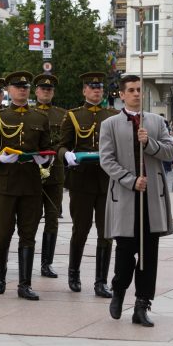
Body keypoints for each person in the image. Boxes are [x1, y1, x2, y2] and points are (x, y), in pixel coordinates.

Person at [99, 74, 173, 328]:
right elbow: (107, 160)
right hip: (125, 197)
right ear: (121, 95)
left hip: (151, 199)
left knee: (148, 255)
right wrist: (131, 180)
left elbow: (170, 151)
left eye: (139, 90)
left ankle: (142, 305)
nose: (135, 94)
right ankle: (119, 289)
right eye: (130, 90)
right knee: (125, 252)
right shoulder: (110, 124)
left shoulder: (155, 121)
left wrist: (149, 143)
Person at [0, 70, 53, 300]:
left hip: (30, 184)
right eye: (17, 86)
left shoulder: (39, 118)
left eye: (25, 86)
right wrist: (0, 158)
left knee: (28, 234)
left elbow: (46, 148)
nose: (22, 89)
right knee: (3, 232)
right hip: (4, 184)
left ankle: (25, 284)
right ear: (9, 90)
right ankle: (0, 274)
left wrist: (45, 158)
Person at [58, 71, 118, 298]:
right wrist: (67, 155)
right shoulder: (73, 116)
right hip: (81, 181)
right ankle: (74, 274)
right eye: (92, 87)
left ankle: (101, 281)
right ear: (84, 90)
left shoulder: (112, 115)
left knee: (106, 233)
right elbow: (61, 146)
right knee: (80, 230)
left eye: (100, 88)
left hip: (106, 182)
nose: (96, 91)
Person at [33, 73, 67, 279]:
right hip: (32, 173)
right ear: (36, 92)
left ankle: (47, 263)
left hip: (55, 172)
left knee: (52, 218)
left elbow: (65, 140)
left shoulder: (62, 115)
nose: (46, 92)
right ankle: (27, 256)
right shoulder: (28, 113)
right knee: (31, 217)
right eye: (43, 89)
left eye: (50, 90)